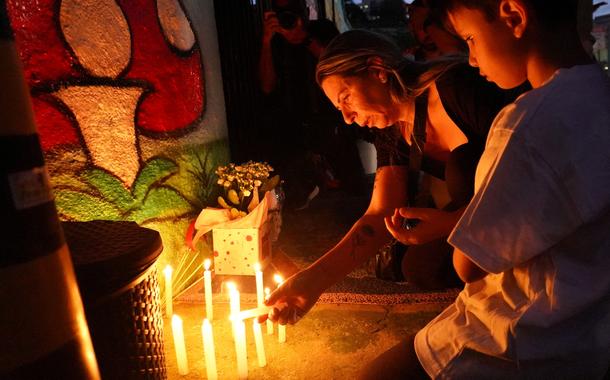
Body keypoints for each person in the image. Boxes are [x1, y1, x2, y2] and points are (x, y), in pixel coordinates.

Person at [369, 0, 610, 378]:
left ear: (513, 16)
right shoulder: (598, 95)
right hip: (587, 336)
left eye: (470, 38)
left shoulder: (523, 125)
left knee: (377, 374)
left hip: (518, 340)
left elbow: (467, 265)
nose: (471, 58)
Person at [261, 27, 528, 326]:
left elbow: (532, 171)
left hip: (523, 207)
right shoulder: (392, 128)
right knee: (418, 267)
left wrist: (452, 222)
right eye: (339, 108)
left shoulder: (456, 88)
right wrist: (311, 282)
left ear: (378, 70)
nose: (347, 118)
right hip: (475, 217)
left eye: (346, 97)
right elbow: (380, 215)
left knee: (462, 166)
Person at [257, 1, 366, 209]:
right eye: (281, 13)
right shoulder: (274, 40)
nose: (288, 17)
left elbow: (339, 64)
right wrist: (265, 42)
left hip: (331, 121)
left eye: (293, 11)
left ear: (306, 12)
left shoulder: (322, 29)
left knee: (352, 189)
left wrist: (304, 39)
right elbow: (266, 85)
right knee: (299, 199)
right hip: (292, 126)